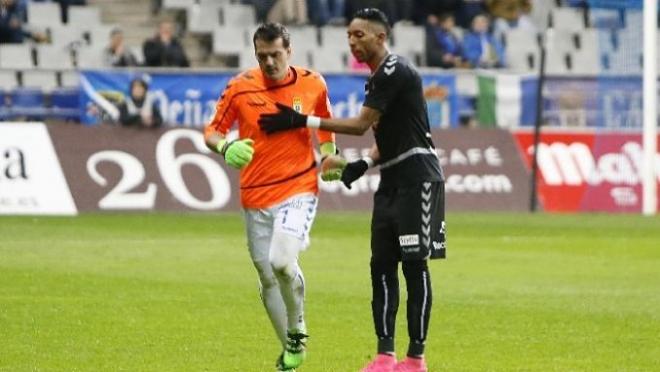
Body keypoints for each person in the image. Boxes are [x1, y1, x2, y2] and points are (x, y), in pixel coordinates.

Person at [258, 8, 446, 372]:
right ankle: (385, 355)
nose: (352, 41)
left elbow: (361, 126)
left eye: (359, 35)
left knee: (414, 267)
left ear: (380, 37)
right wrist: (364, 164)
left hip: (418, 179)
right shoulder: (378, 79)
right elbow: (391, 134)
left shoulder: (395, 70)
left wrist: (302, 120)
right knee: (381, 267)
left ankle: (416, 359)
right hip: (391, 180)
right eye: (348, 35)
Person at [203, 22, 338, 372]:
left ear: (289, 51)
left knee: (281, 262)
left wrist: (328, 155)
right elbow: (212, 131)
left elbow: (324, 124)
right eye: (262, 56)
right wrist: (226, 145)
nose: (269, 62)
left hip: (298, 187)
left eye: (276, 54)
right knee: (267, 278)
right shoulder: (240, 87)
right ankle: (291, 352)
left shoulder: (312, 83)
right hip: (255, 195)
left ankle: (298, 328)